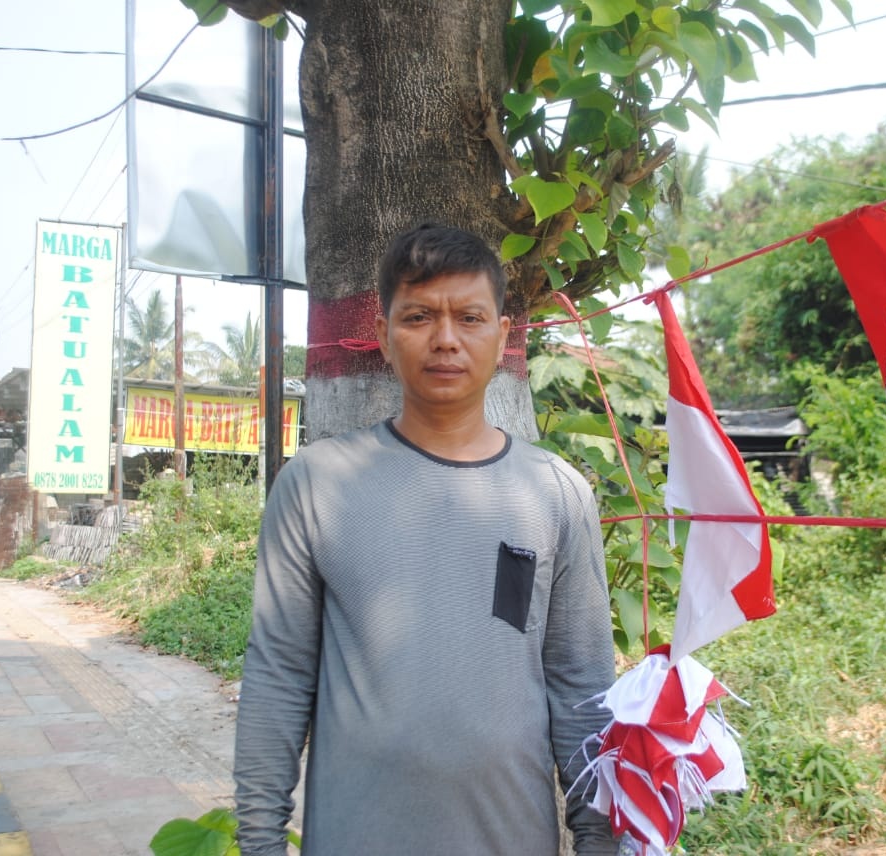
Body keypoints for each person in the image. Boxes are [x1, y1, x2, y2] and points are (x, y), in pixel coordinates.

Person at [233, 222, 619, 855]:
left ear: (503, 337)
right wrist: (259, 842)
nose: (445, 340)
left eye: (470, 318)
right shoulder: (315, 486)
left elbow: (582, 689)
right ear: (384, 337)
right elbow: (278, 676)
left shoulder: (556, 494)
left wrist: (600, 843)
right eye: (418, 317)